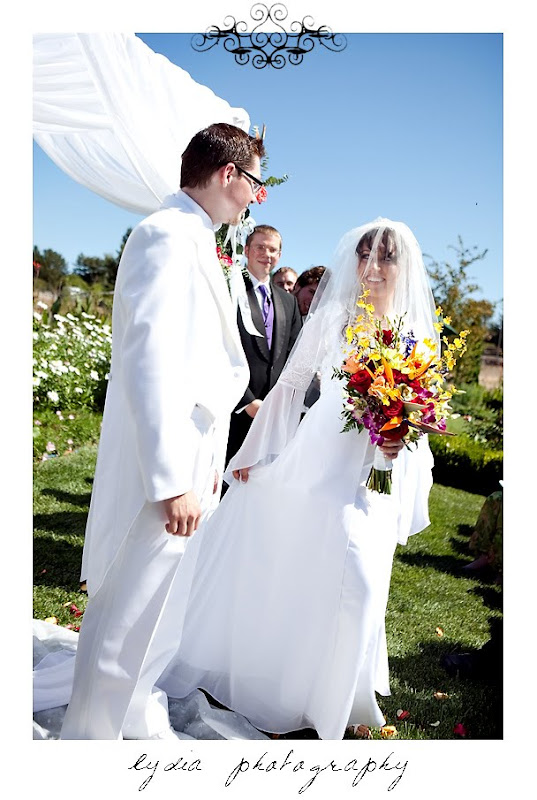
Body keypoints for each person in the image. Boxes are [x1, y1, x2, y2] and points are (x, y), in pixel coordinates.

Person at [157, 218, 439, 740]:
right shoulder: (334, 317)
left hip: (376, 471)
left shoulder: (416, 332)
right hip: (320, 460)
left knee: (361, 577)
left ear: (404, 267)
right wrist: (256, 449)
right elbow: (290, 386)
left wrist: (401, 437)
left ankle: (334, 696)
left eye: (385, 259)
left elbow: (421, 413)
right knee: (314, 563)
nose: (372, 268)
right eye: (364, 257)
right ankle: (280, 682)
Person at [59, 122, 265, 740]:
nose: (259, 195)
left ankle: (127, 722)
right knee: (129, 615)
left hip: (197, 454)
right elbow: (148, 362)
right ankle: (90, 744)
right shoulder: (165, 235)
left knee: (161, 611)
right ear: (229, 174)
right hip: (167, 462)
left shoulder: (199, 238)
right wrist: (172, 480)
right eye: (256, 181)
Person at [224, 225, 302, 468]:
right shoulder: (228, 289)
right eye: (259, 247)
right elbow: (220, 347)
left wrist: (281, 401)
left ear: (279, 255)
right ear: (247, 250)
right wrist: (247, 401)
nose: (266, 254)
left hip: (273, 414)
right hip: (234, 408)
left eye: (272, 250)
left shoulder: (288, 301)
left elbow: (293, 354)